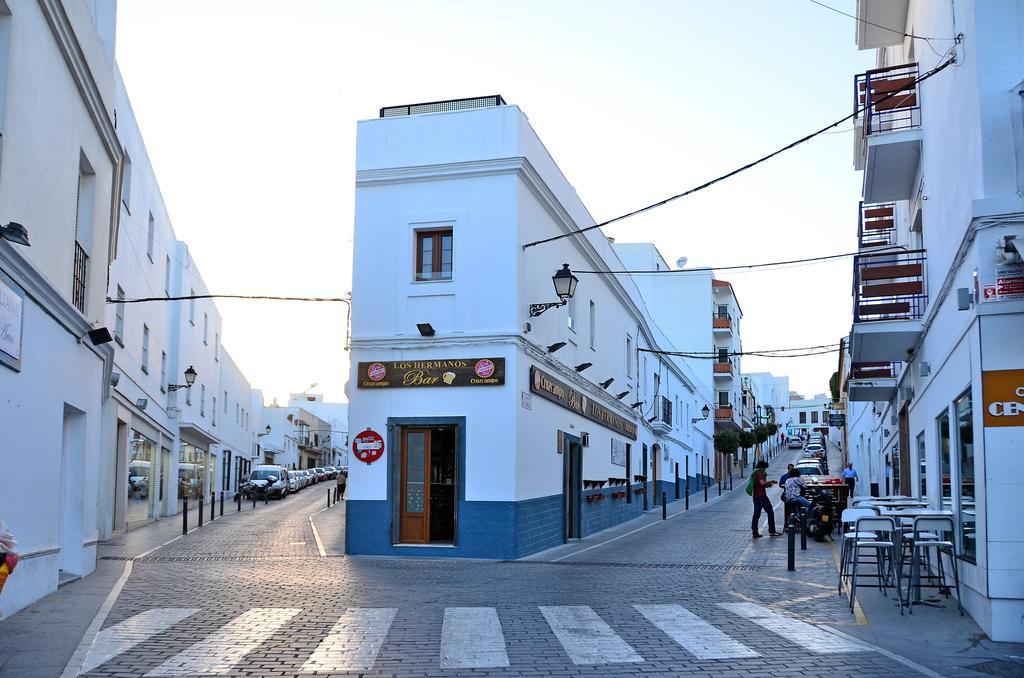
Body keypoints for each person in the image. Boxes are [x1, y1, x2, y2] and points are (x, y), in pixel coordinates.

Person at [750, 460, 782, 539]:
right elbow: (762, 483)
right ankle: (772, 531)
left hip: (756, 496)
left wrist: (768, 485)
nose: (765, 470)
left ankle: (755, 532)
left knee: (756, 514)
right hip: (762, 496)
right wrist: (772, 481)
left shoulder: (755, 473)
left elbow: (760, 485)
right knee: (770, 512)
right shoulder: (760, 473)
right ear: (762, 467)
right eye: (765, 468)